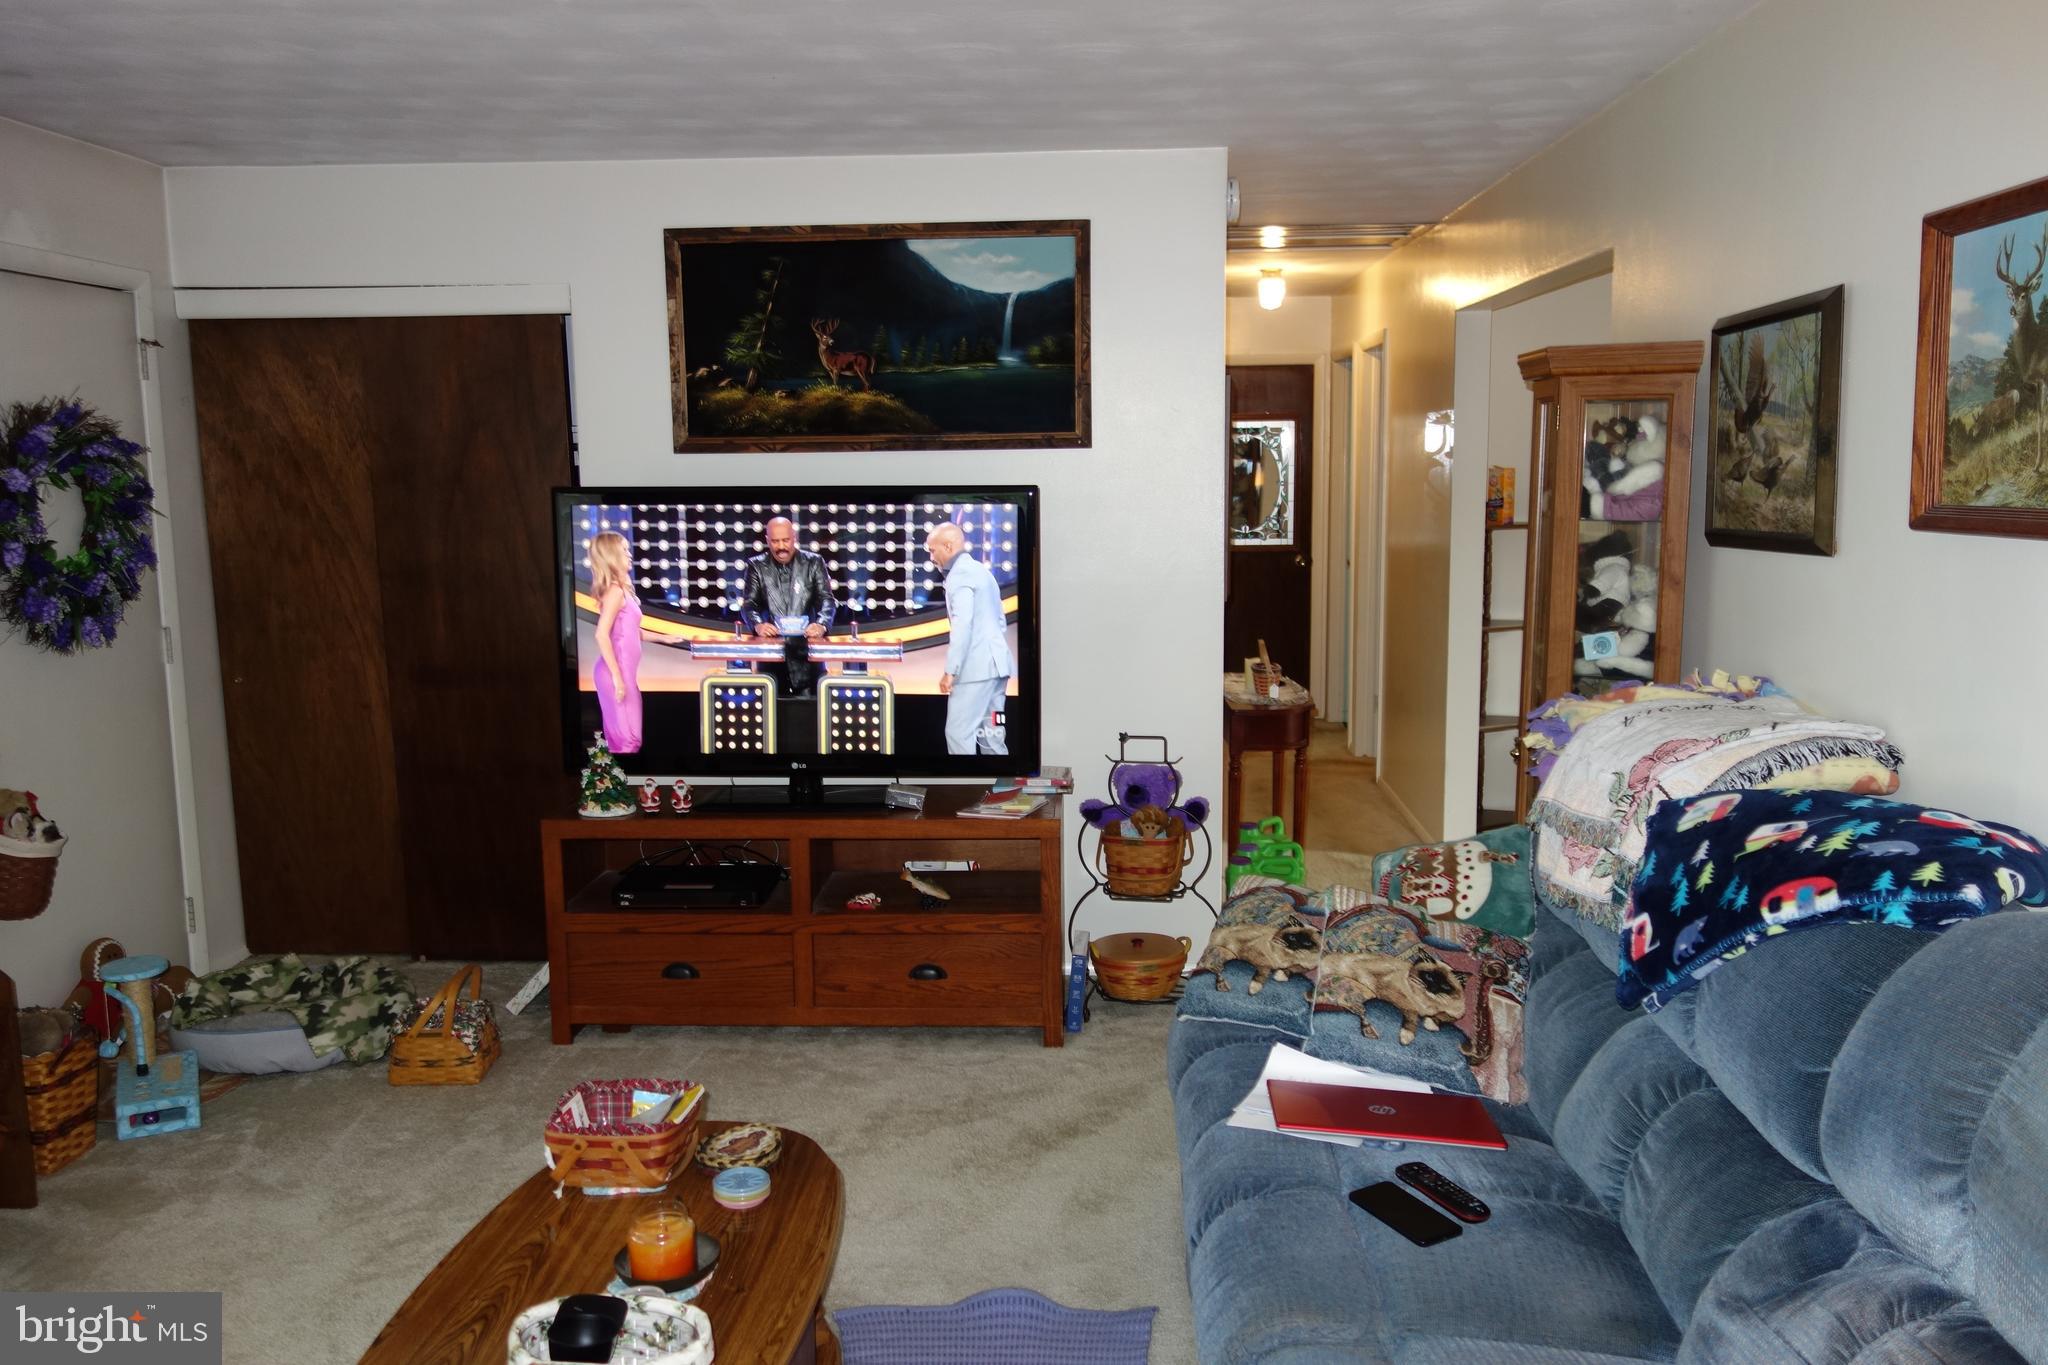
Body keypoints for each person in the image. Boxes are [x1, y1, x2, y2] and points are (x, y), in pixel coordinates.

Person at [925, 522, 1013, 756]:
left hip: (975, 671)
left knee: (958, 733)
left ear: (949, 545)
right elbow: (1000, 620)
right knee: (992, 737)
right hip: (998, 669)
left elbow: (963, 625)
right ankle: (1001, 790)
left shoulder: (960, 575)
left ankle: (965, 790)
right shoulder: (982, 571)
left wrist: (951, 670)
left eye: (933, 551)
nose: (931, 557)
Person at [739, 516, 838, 695]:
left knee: (809, 718)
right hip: (772, 662)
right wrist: (758, 625)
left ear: (794, 538)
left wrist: (822, 624)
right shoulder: (756, 566)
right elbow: (749, 604)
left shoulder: (814, 562)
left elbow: (827, 600)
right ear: (767, 541)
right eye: (775, 541)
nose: (781, 547)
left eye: (785, 540)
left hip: (807, 660)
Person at [587, 531, 643, 754]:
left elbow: (627, 632)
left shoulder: (622, 591)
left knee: (629, 739)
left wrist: (664, 637)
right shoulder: (614, 592)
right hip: (615, 674)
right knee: (627, 740)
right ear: (611, 556)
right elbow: (602, 634)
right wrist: (618, 679)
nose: (629, 555)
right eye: (624, 551)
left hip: (624, 675)